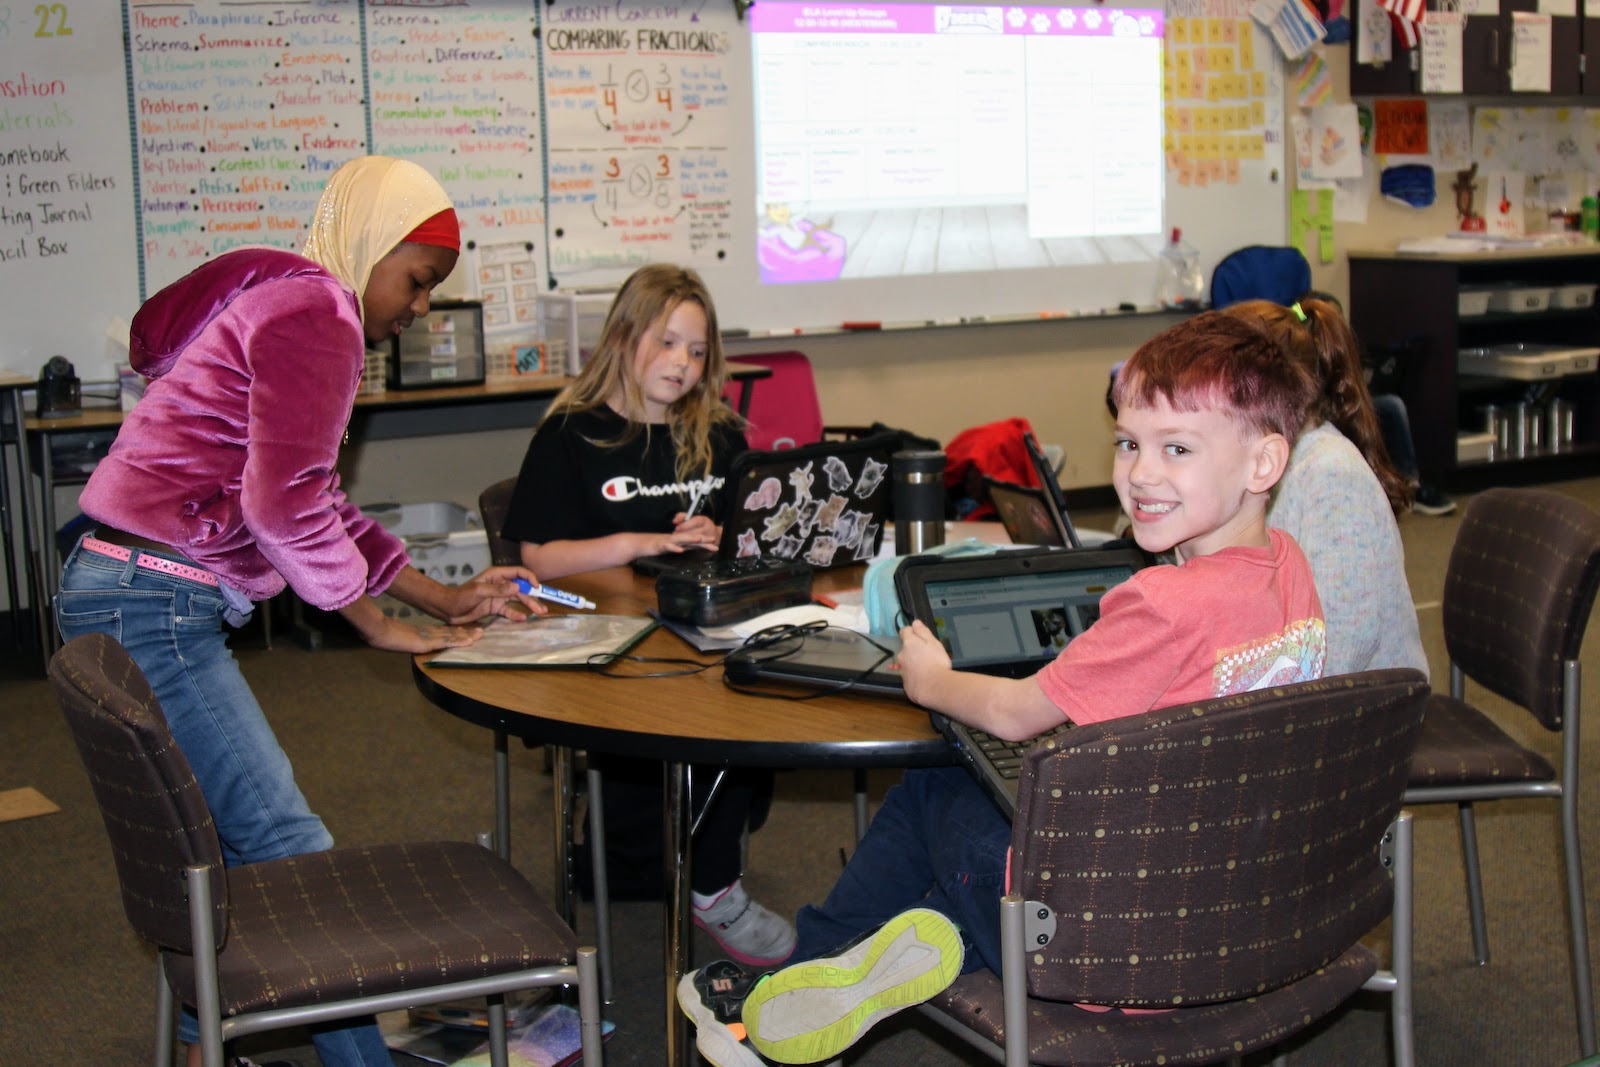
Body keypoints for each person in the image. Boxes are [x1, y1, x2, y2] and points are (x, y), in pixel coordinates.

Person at [677, 311, 1329, 1067]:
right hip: (1240, 918)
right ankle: (913, 940)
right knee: (1004, 810)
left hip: (1103, 956)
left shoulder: (1165, 604)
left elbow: (1019, 713)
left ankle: (791, 994)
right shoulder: (1290, 563)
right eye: (1128, 442)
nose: (1141, 473)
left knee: (935, 788)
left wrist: (934, 679)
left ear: (1264, 463)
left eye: (1176, 449)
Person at [56, 156, 541, 1067]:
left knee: (216, 842)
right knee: (289, 846)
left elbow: (313, 496)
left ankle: (206, 1043)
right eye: (418, 280)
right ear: (373, 245)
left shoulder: (278, 289)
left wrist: (438, 596)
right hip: (153, 603)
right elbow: (286, 508)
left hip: (116, 585)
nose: (420, 307)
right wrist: (373, 621)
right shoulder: (321, 312)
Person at [502, 264, 795, 966]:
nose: (683, 364)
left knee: (765, 688)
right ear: (625, 336)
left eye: (697, 352)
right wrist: (643, 542)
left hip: (702, 622)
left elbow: (751, 531)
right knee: (698, 713)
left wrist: (723, 538)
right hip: (606, 636)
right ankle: (707, 875)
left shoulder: (717, 432)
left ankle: (712, 875)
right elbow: (539, 559)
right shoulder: (571, 434)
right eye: (667, 343)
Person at [1225, 296, 1431, 679]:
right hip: (1294, 692)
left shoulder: (1333, 480)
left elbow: (1338, 652)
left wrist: (1224, 685)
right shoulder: (1265, 459)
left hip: (1363, 710)